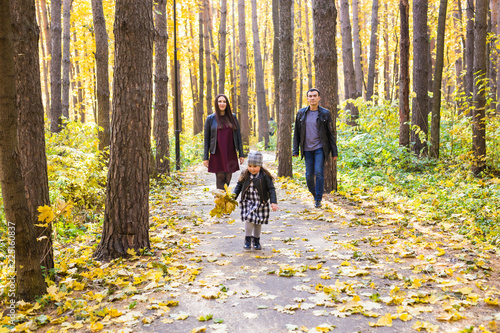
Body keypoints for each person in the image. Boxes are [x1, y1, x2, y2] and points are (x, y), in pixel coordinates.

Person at [292, 88, 338, 209]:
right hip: (307, 149)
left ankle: (318, 199)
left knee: (319, 172)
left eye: (314, 96)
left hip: (320, 148)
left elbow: (331, 133)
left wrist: (334, 151)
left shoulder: (325, 113)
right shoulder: (301, 113)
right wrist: (295, 150)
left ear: (319, 98)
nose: (312, 98)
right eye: (310, 96)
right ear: (307, 98)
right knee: (308, 176)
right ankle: (315, 194)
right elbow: (296, 132)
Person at [233, 151, 278, 250]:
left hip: (261, 203)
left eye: (255, 166)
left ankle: (256, 240)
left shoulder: (265, 176)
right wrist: (233, 197)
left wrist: (273, 202)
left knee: (258, 222)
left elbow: (271, 189)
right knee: (249, 219)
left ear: (260, 165)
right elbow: (238, 186)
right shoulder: (245, 174)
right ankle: (247, 239)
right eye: (250, 166)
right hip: (247, 202)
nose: (252, 169)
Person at [203, 94, 245, 190]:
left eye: (224, 101)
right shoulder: (210, 119)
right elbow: (207, 139)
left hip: (230, 152)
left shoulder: (233, 117)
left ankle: (222, 197)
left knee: (228, 176)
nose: (222, 103)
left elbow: (238, 136)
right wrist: (205, 157)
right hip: (217, 152)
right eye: (220, 101)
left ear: (227, 104)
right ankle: (220, 201)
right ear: (216, 103)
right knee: (220, 176)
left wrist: (241, 154)